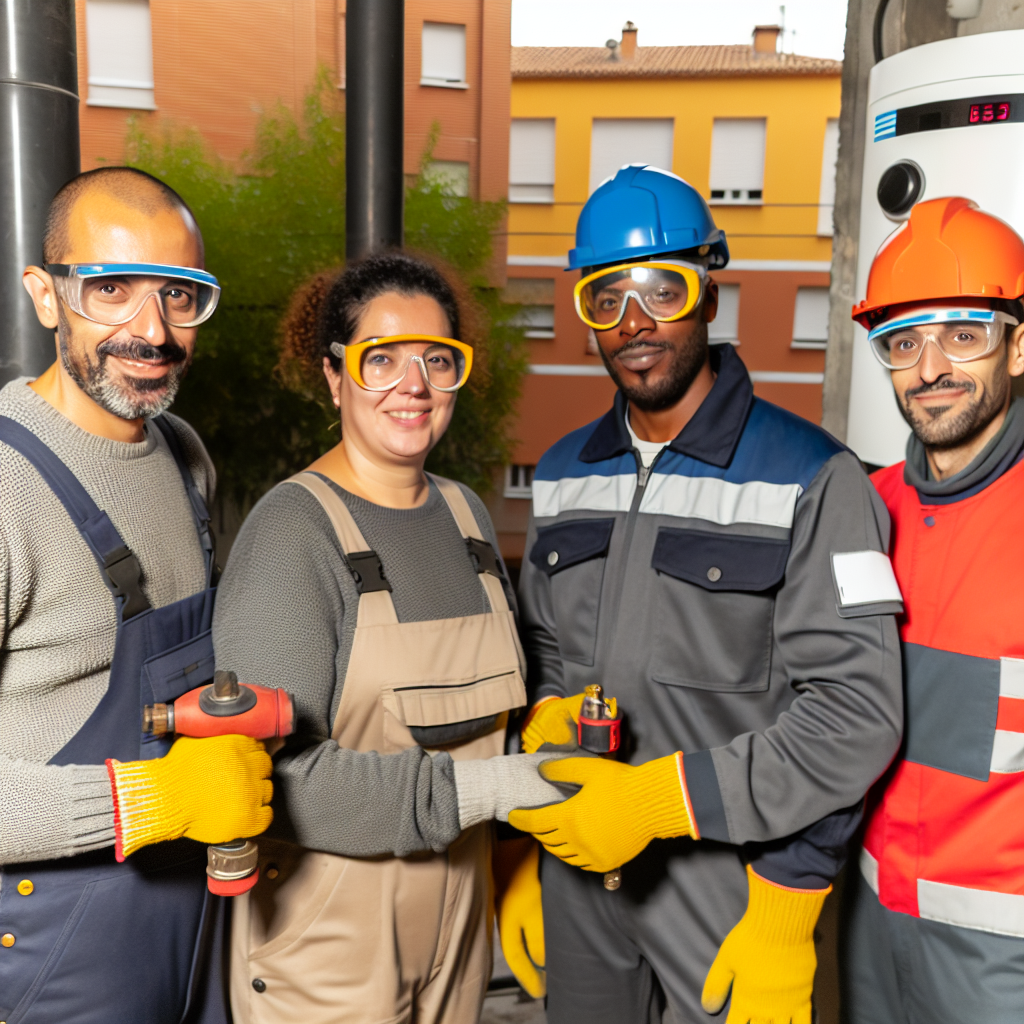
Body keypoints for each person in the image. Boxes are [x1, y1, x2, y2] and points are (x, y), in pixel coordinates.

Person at [503, 164, 905, 1023]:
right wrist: (525, 838)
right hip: (579, 864)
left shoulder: (814, 478)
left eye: (662, 288)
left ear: (710, 291)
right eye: (604, 298)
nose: (634, 321)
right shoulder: (566, 471)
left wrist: (786, 898)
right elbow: (540, 656)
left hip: (727, 881)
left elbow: (854, 716)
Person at [213, 252, 564, 1024]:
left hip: (463, 927)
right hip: (328, 940)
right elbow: (278, 783)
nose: (416, 385)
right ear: (336, 377)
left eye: (439, 360)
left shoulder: (468, 515)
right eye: (383, 360)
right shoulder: (292, 532)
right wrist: (493, 791)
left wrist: (536, 747)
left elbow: (492, 711)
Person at [0, 167, 273, 1023]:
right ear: (46, 295)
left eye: (180, 295)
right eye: (111, 289)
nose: (151, 332)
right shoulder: (6, 490)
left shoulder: (182, 451)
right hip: (57, 952)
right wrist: (152, 800)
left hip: (192, 921)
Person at [841, 196, 1024, 1024]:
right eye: (903, 342)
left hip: (1003, 955)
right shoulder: (862, 511)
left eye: (964, 334)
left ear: (1018, 346)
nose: (931, 368)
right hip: (871, 921)